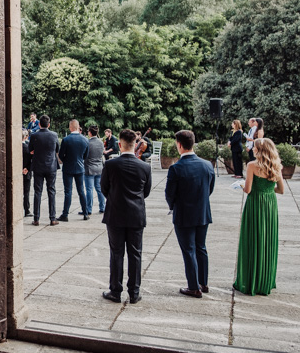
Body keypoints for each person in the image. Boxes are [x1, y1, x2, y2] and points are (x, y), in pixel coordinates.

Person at [100, 129, 152, 304]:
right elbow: (146, 192)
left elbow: (104, 188)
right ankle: (134, 292)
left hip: (115, 213)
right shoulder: (145, 167)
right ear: (134, 144)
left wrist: (115, 198)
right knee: (135, 253)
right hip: (136, 215)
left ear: (120, 144)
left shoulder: (110, 165)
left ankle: (115, 290)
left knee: (116, 253)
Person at [164, 130, 216, 298]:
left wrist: (172, 206)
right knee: (201, 247)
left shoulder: (176, 168)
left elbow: (169, 193)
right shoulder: (207, 165)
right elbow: (210, 188)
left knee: (189, 250)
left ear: (179, 145)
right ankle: (204, 282)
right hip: (202, 212)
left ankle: (193, 286)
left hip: (184, 214)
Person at [233, 137, 285, 296]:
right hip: (270, 204)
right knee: (267, 239)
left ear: (259, 150)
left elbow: (248, 190)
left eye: (254, 147)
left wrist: (242, 185)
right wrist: (268, 191)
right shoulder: (276, 165)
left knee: (253, 238)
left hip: (255, 203)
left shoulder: (252, 166)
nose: (252, 149)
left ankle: (250, 281)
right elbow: (281, 190)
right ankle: (265, 280)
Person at [28, 115, 60, 226]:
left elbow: (30, 149)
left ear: (39, 124)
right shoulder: (54, 135)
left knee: (37, 192)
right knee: (51, 191)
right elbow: (57, 149)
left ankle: (36, 218)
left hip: (38, 166)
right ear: (49, 124)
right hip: (51, 166)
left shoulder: (34, 135)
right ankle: (52, 218)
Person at [58, 119, 89, 221]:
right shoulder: (85, 140)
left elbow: (61, 155)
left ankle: (65, 214)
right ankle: (85, 213)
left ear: (70, 127)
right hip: (80, 168)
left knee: (68, 191)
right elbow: (86, 155)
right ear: (78, 126)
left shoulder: (66, 140)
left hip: (68, 168)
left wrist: (66, 160)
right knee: (81, 191)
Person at [83, 125, 106, 214]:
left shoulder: (88, 143)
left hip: (89, 168)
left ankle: (89, 209)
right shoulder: (101, 142)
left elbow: (85, 156)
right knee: (99, 189)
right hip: (99, 167)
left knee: (89, 190)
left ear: (89, 132)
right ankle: (102, 207)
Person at [22, 129, 33, 218]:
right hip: (26, 172)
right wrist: (27, 168)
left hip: (19, 170)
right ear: (26, 137)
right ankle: (27, 209)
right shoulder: (28, 148)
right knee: (26, 192)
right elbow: (31, 160)